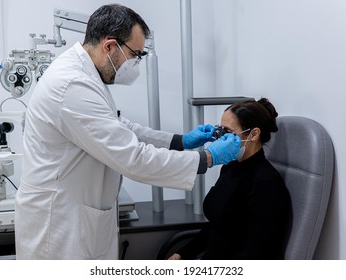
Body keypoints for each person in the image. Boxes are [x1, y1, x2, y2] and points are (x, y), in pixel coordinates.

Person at [14, 4, 241, 260]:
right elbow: (133, 158)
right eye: (136, 55)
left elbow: (120, 128)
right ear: (109, 46)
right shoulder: (71, 85)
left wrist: (180, 141)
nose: (136, 63)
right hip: (59, 230)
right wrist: (207, 158)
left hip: (76, 218)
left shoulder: (85, 77)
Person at [168, 98, 292, 260]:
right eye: (220, 131)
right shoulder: (231, 167)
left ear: (254, 134)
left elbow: (256, 252)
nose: (221, 139)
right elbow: (219, 226)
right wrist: (182, 254)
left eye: (228, 132)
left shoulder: (265, 182)